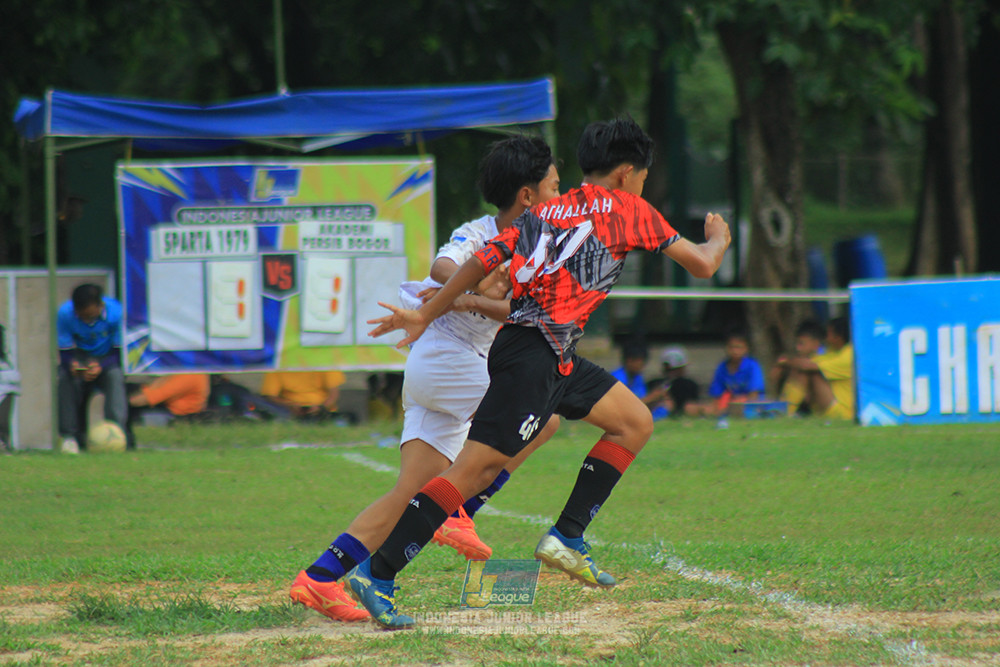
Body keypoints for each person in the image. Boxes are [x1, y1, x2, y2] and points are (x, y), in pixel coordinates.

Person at [357, 116, 731, 628]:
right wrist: (718, 238)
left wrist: (428, 311)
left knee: (633, 421)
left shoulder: (553, 208)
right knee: (472, 472)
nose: (642, 185)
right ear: (626, 174)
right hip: (533, 354)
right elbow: (704, 265)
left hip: (549, 352)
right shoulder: (632, 209)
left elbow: (483, 258)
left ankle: (568, 536)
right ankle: (378, 574)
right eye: (642, 177)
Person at [289, 135, 563, 623]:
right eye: (555, 186)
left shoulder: (545, 247)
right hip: (448, 360)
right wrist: (477, 282)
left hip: (440, 372)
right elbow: (444, 266)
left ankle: (320, 578)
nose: (561, 197)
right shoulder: (481, 234)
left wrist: (474, 298)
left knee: (408, 494)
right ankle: (460, 511)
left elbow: (521, 310)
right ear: (528, 196)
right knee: (544, 417)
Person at [57, 283, 127, 454]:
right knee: (64, 378)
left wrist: (101, 366)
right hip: (80, 356)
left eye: (90, 316)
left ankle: (116, 431)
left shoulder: (117, 312)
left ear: (99, 305)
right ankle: (69, 437)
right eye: (81, 317)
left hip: (108, 357)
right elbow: (64, 350)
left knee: (115, 377)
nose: (86, 321)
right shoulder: (64, 313)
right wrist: (72, 364)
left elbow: (120, 350)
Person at [778, 316, 854, 420]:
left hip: (843, 411)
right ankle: (785, 410)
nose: (825, 337)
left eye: (828, 333)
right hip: (827, 402)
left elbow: (808, 365)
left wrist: (784, 362)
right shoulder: (833, 350)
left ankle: (785, 412)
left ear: (838, 336)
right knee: (801, 366)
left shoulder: (849, 355)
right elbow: (808, 362)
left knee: (808, 370)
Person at [770, 319, 826, 415]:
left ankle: (785, 412)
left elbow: (804, 366)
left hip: (826, 407)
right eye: (797, 344)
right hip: (811, 406)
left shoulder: (823, 358)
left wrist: (784, 362)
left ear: (816, 344)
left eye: (801, 344)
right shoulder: (804, 359)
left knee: (801, 371)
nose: (797, 348)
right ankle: (784, 408)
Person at [707, 329, 765, 416]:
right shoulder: (722, 367)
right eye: (731, 347)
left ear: (746, 349)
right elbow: (716, 395)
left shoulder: (752, 366)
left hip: (749, 406)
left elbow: (754, 395)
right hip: (727, 405)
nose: (735, 351)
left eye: (738, 347)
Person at [128, 373, 211, 429]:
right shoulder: (180, 371)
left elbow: (142, 400)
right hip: (168, 410)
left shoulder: (190, 375)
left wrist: (119, 401)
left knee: (133, 417)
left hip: (176, 418)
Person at [610, 340, 668, 420]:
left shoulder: (637, 377)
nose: (642, 366)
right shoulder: (617, 378)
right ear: (629, 360)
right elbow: (624, 408)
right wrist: (652, 397)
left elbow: (641, 403)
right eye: (640, 361)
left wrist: (657, 399)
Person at [260, 370, 346, 420]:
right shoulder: (278, 366)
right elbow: (270, 396)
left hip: (323, 411)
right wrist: (290, 405)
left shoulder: (324, 363)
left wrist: (321, 408)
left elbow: (334, 394)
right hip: (289, 412)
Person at [653, 346, 703, 417]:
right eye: (670, 370)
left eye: (677, 369)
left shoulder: (690, 385)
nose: (673, 373)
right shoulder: (655, 384)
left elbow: (692, 406)